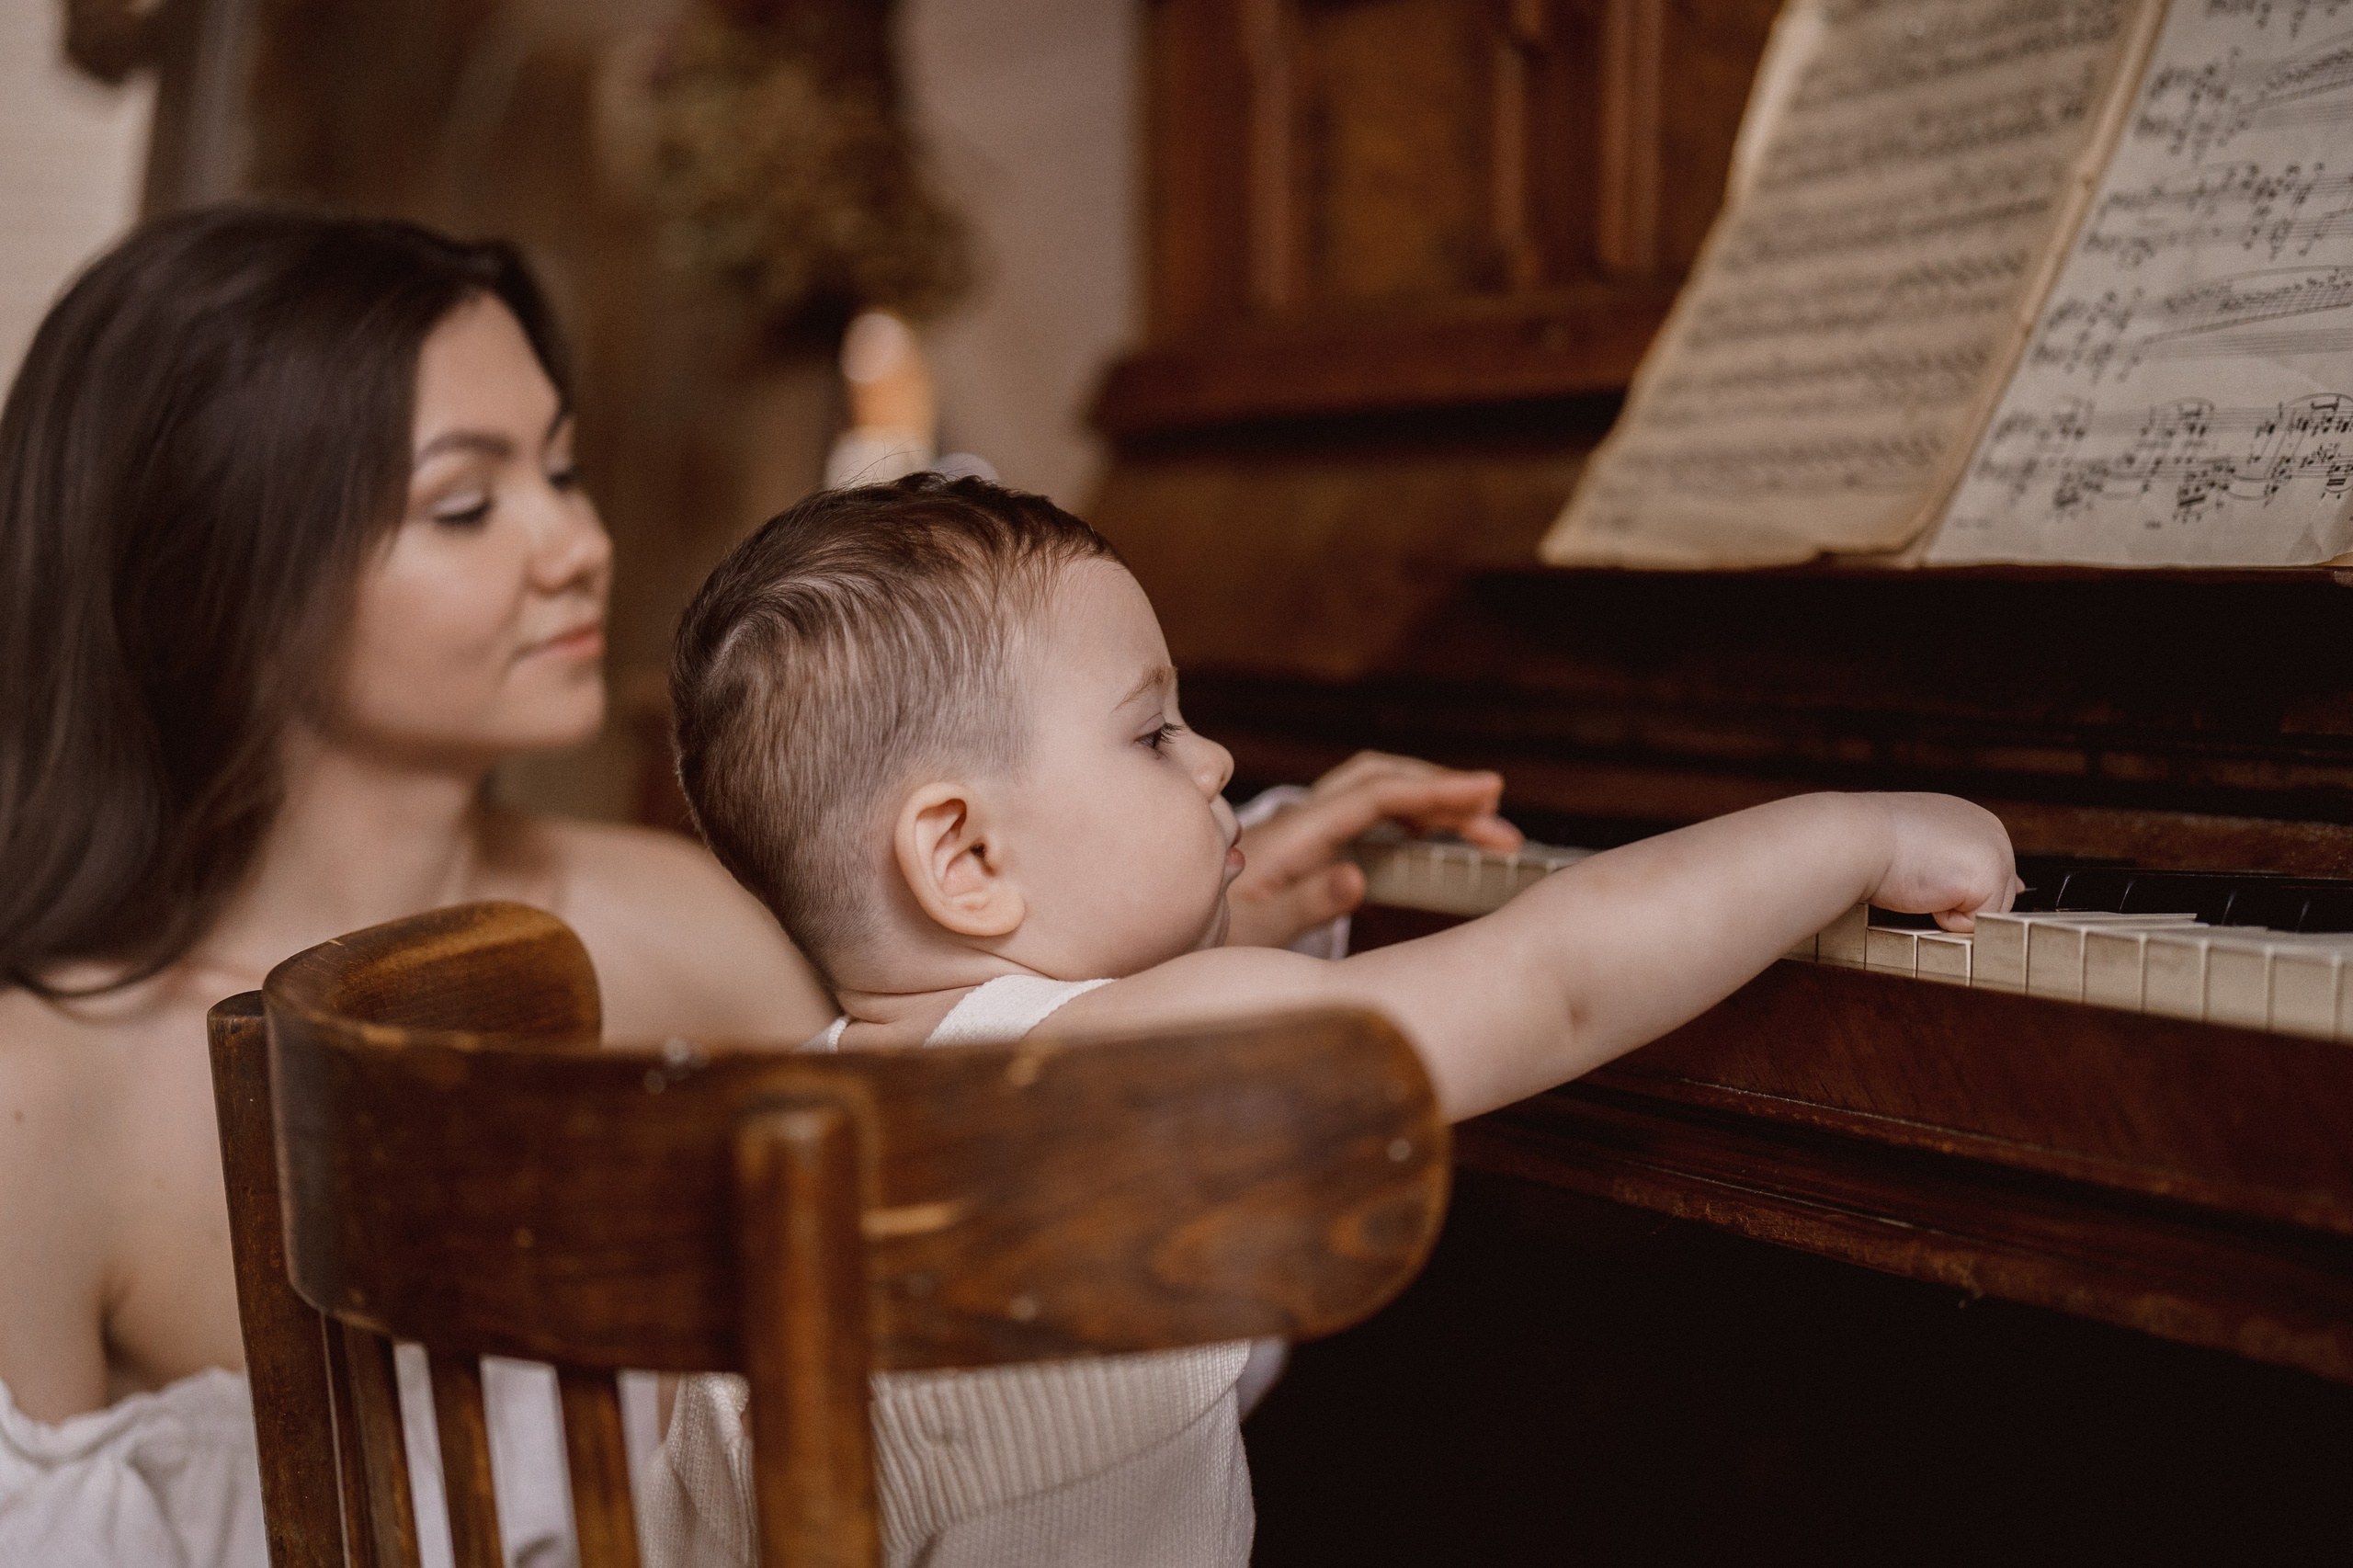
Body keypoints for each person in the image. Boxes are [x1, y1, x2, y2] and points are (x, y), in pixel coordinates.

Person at [0, 206, 1506, 1568]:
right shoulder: (41, 1089)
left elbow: (980, 1279)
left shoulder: (676, 919)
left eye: (567, 472)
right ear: (215, 570)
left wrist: (1206, 928)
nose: (581, 545)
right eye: (470, 505)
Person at [653, 473, 2020, 1568]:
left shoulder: (806, 1113)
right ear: (964, 859)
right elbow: (1557, 982)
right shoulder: (1134, 1065)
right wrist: (1850, 833)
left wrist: (1224, 915)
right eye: (1154, 733)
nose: (1220, 762)